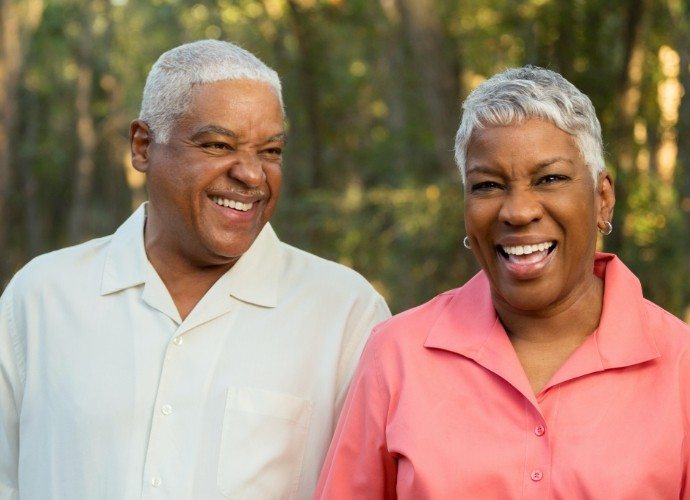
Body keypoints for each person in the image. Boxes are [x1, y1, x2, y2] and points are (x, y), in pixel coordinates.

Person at [0, 39, 390, 500]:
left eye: (270, 151)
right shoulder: (42, 297)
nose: (251, 174)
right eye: (218, 144)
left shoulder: (345, 313)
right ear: (143, 146)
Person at [315, 66, 690, 498]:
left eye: (549, 179)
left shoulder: (678, 366)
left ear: (602, 197)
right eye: (488, 185)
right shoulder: (397, 355)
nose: (518, 211)